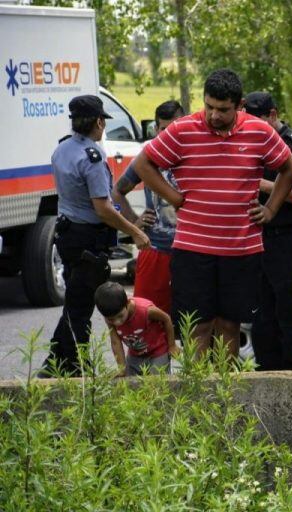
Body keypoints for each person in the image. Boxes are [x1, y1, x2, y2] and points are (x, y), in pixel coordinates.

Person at [131, 69, 292, 360]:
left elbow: (290, 168)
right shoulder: (183, 130)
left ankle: (225, 396)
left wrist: (270, 208)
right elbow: (143, 163)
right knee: (198, 326)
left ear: (239, 105)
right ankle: (199, 394)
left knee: (229, 325)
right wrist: (173, 197)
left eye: (223, 109)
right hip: (193, 249)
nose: (214, 115)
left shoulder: (259, 131)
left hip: (241, 249)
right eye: (209, 106)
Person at [39, 95, 150, 378]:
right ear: (99, 122)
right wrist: (135, 230)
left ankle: (57, 361)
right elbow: (102, 208)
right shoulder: (92, 157)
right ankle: (74, 364)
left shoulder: (62, 148)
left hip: (67, 234)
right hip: (89, 238)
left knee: (76, 300)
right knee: (82, 305)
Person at [243, 91, 292, 371]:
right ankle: (265, 366)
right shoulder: (249, 142)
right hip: (256, 236)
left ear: (272, 115)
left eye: (256, 121)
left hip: (286, 236)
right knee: (260, 309)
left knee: (287, 306)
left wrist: (265, 186)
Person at [112, 100, 185, 315]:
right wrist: (135, 223)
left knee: (194, 324)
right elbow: (117, 192)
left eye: (176, 127)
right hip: (156, 250)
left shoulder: (195, 155)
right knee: (147, 320)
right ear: (155, 129)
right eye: (164, 129)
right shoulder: (148, 158)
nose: (170, 134)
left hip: (192, 252)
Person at [95, 281, 179, 376]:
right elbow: (115, 342)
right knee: (129, 383)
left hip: (158, 351)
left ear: (127, 303)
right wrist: (122, 368)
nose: (117, 322)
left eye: (120, 316)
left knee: (156, 383)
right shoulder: (109, 319)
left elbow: (166, 319)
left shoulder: (146, 311)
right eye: (111, 319)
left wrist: (172, 345)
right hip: (135, 354)